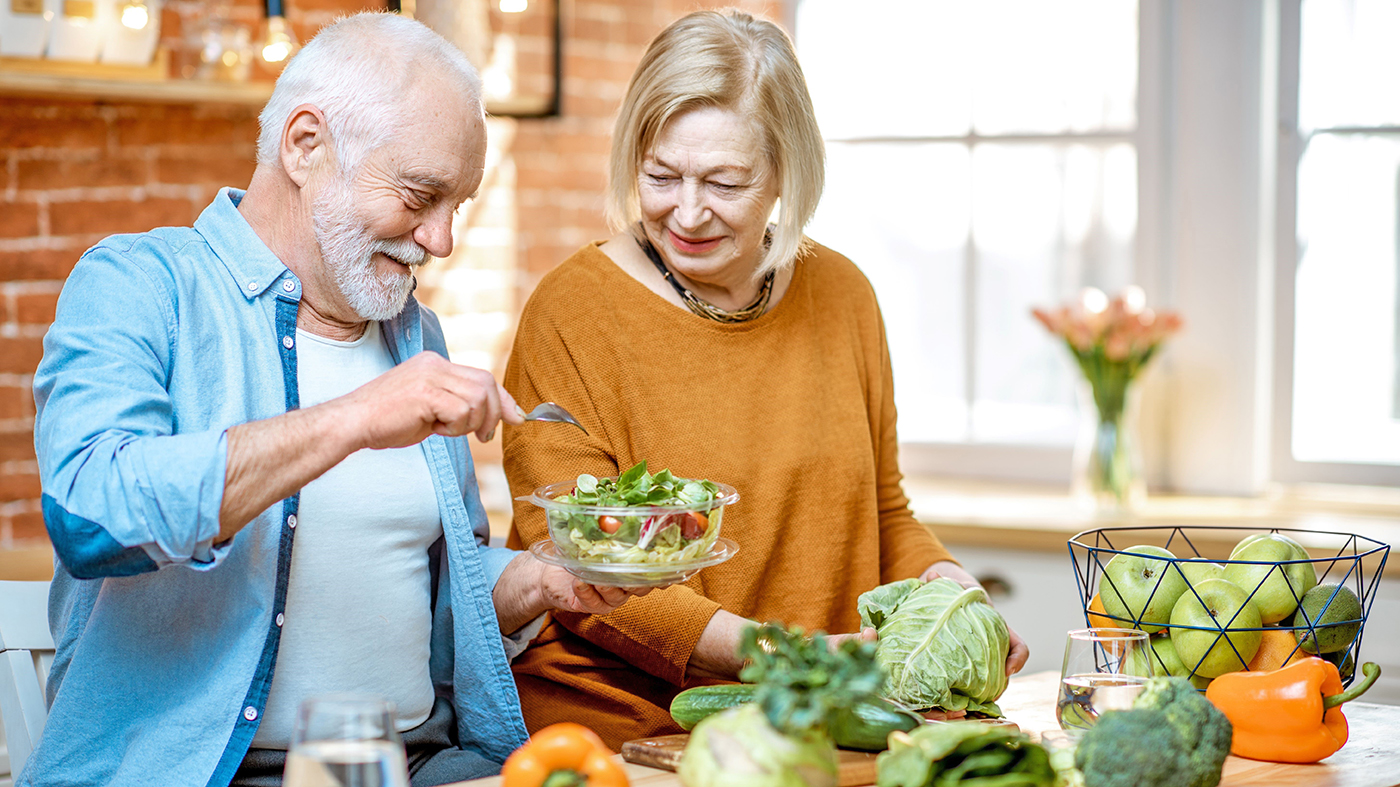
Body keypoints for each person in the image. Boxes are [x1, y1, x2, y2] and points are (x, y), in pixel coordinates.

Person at [26, 13, 644, 787]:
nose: (442, 238)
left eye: (460, 204)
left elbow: (417, 590)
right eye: (422, 194)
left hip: (422, 766)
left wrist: (543, 581)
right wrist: (353, 419)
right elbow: (91, 513)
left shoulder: (415, 336)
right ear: (305, 145)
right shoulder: (141, 285)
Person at [500, 10, 1030, 748]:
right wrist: (784, 654)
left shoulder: (844, 294)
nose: (686, 212)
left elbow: (883, 509)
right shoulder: (571, 311)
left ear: (786, 171)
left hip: (817, 720)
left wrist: (952, 593)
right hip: (628, 731)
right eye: (660, 175)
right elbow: (575, 565)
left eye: (725, 181)